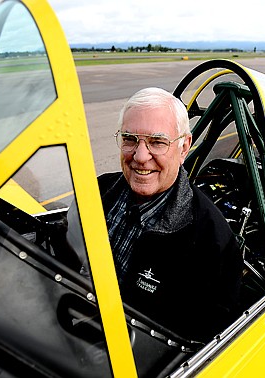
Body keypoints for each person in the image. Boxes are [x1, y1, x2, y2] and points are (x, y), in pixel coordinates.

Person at [97, 87, 243, 342]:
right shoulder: (97, 192)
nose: (141, 157)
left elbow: (201, 346)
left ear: (184, 147)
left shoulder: (213, 242)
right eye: (130, 139)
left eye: (157, 142)